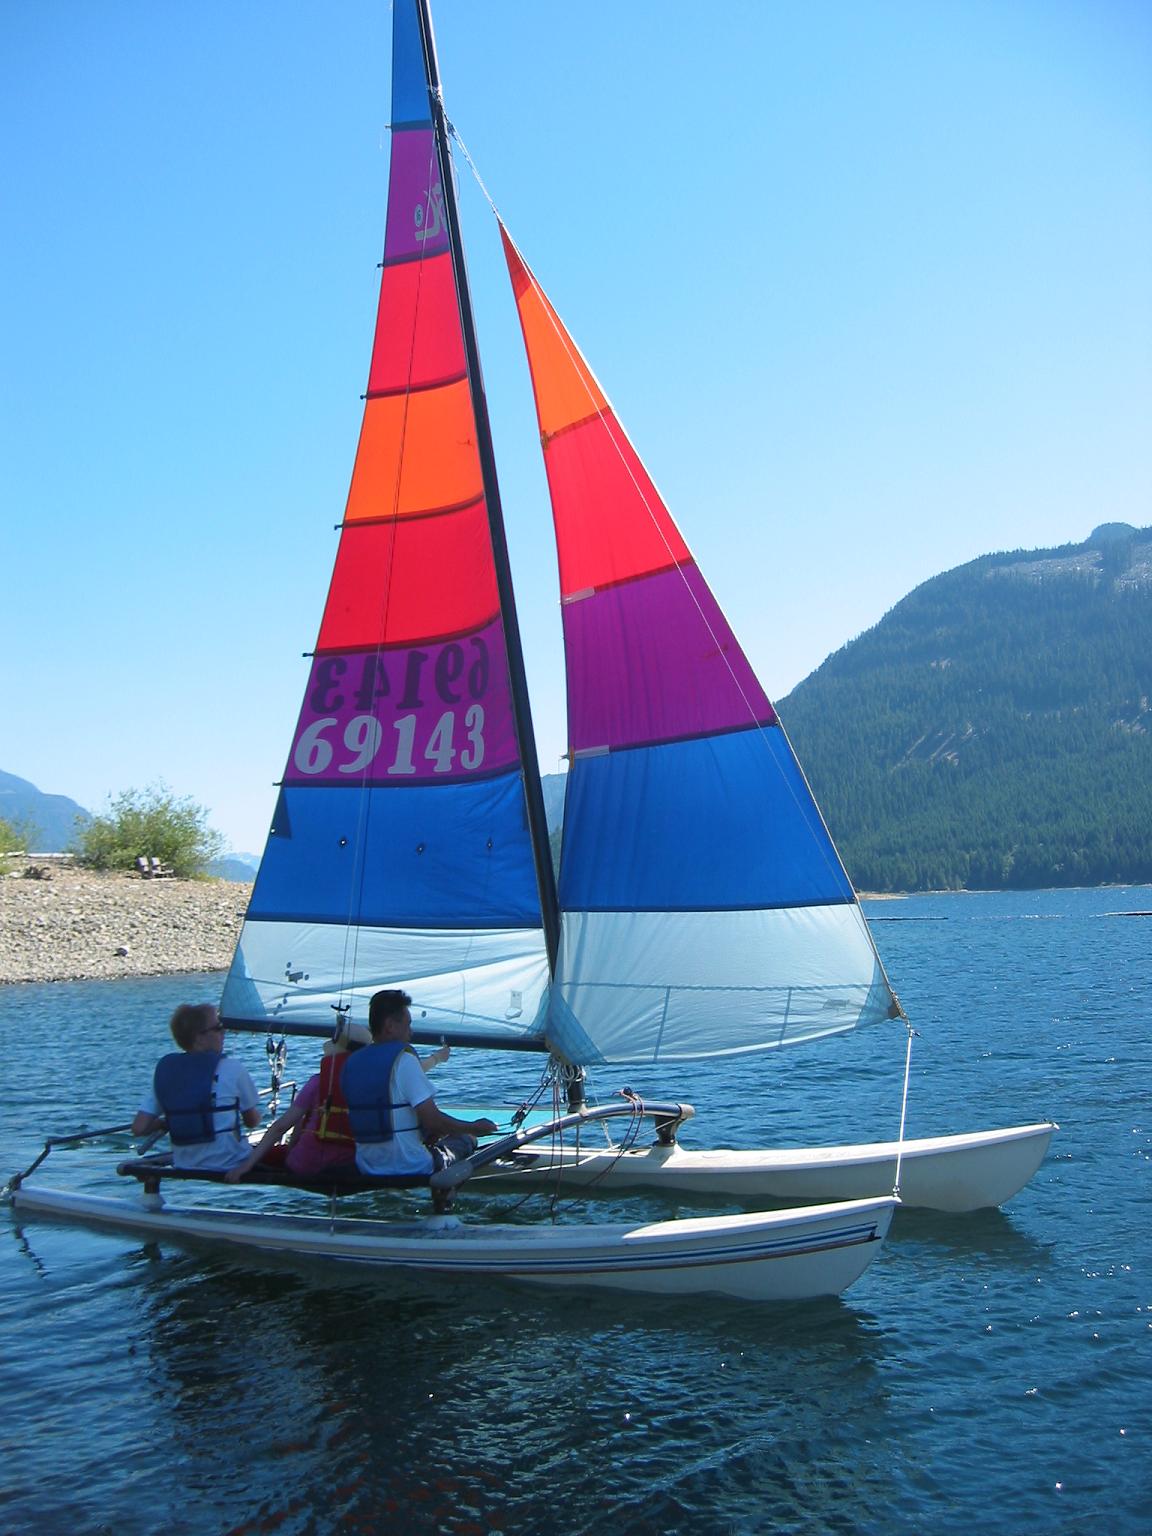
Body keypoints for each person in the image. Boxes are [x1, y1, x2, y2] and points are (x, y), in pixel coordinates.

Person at [340, 989, 498, 1178]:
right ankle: (445, 1190)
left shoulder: (351, 1063)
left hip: (366, 1167)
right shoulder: (403, 1060)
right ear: (390, 1026)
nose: (411, 1032)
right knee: (465, 1139)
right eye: (408, 1025)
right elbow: (434, 1122)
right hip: (411, 1166)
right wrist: (474, 1128)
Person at [225, 1020, 373, 1182]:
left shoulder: (318, 1082)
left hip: (303, 1165)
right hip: (347, 1168)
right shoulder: (372, 1086)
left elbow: (281, 1127)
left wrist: (246, 1166)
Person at [133, 1002, 261, 1173]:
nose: (223, 1033)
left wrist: (167, 1122)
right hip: (231, 1162)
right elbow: (252, 1122)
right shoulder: (233, 1068)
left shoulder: (168, 1072)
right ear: (199, 1037)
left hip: (184, 1164)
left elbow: (139, 1128)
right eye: (218, 1028)